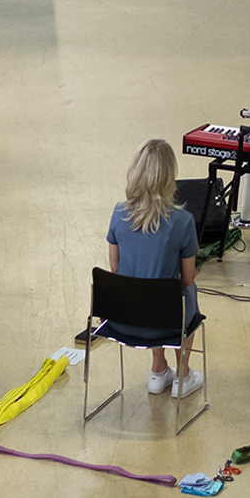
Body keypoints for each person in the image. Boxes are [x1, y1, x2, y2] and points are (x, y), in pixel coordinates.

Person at [103, 139, 203, 398]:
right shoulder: (183, 221)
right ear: (169, 177)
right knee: (185, 293)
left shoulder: (118, 213)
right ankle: (182, 375)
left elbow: (114, 267)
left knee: (146, 285)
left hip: (123, 319)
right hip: (167, 322)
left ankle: (158, 369)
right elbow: (188, 278)